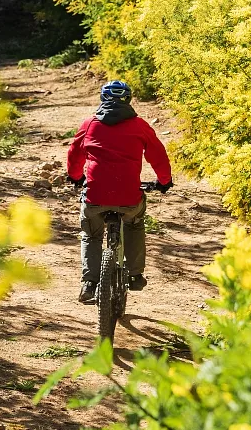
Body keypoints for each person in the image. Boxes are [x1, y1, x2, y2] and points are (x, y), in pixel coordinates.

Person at [66, 80, 173, 305]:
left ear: (103, 99)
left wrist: (76, 177)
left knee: (91, 234)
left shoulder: (89, 124)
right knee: (134, 223)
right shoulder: (141, 126)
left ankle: (89, 283)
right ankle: (134, 275)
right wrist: (164, 182)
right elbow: (158, 155)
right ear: (129, 100)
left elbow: (75, 155)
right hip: (129, 197)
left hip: (95, 196)